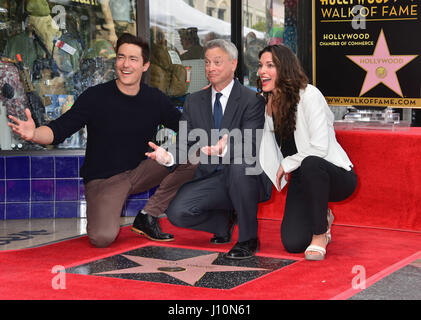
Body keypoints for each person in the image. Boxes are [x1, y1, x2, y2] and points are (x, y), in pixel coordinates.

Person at [7, 33, 197, 248]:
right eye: (121, 57)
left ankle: (148, 215)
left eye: (133, 59)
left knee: (194, 154)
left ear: (145, 66)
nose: (125, 64)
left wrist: (208, 129)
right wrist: (34, 134)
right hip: (104, 181)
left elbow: (188, 129)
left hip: (141, 171)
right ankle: (102, 207)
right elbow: (59, 129)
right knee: (102, 238)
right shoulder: (95, 97)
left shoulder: (155, 99)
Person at [146, 39, 269, 260]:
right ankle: (224, 221)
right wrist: (169, 155)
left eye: (217, 62)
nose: (210, 68)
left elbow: (252, 144)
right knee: (176, 212)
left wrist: (225, 148)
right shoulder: (194, 101)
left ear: (233, 64)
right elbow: (185, 140)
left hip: (247, 176)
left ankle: (248, 239)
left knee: (239, 165)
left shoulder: (252, 100)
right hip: (213, 178)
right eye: (207, 62)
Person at [257, 44, 357, 261]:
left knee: (311, 162)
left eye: (269, 65)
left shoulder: (309, 95)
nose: (261, 71)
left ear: (285, 69)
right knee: (293, 243)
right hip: (302, 179)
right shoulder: (268, 103)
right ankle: (323, 216)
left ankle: (320, 235)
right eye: (260, 65)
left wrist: (287, 164)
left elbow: (320, 147)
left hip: (335, 175)